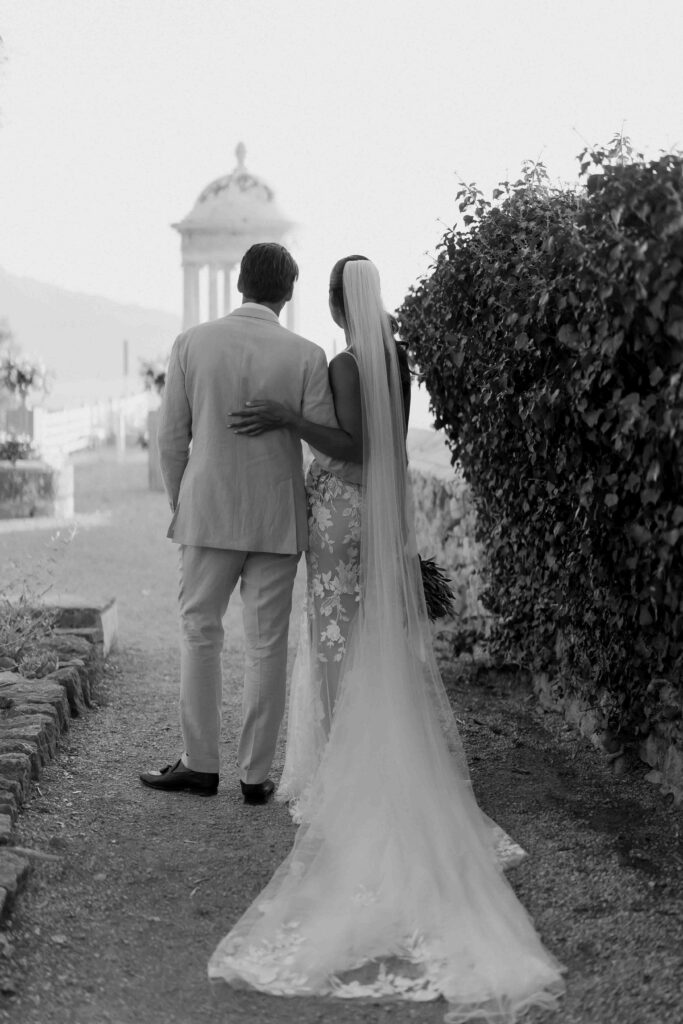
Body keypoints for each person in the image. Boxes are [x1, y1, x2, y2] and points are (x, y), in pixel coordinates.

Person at [211, 257, 566, 1021]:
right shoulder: (397, 359)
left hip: (343, 512)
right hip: (377, 513)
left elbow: (352, 445)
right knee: (367, 638)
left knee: (335, 639)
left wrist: (287, 418)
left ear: (338, 304)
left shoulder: (347, 363)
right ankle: (373, 754)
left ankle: (350, 768)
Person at [139, 242, 338, 804]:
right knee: (267, 645)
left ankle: (200, 765)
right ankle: (255, 777)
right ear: (289, 292)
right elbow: (325, 448)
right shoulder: (307, 355)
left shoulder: (191, 342)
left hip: (208, 512)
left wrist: (183, 501)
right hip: (277, 517)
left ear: (239, 283)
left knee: (200, 633)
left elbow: (171, 439)